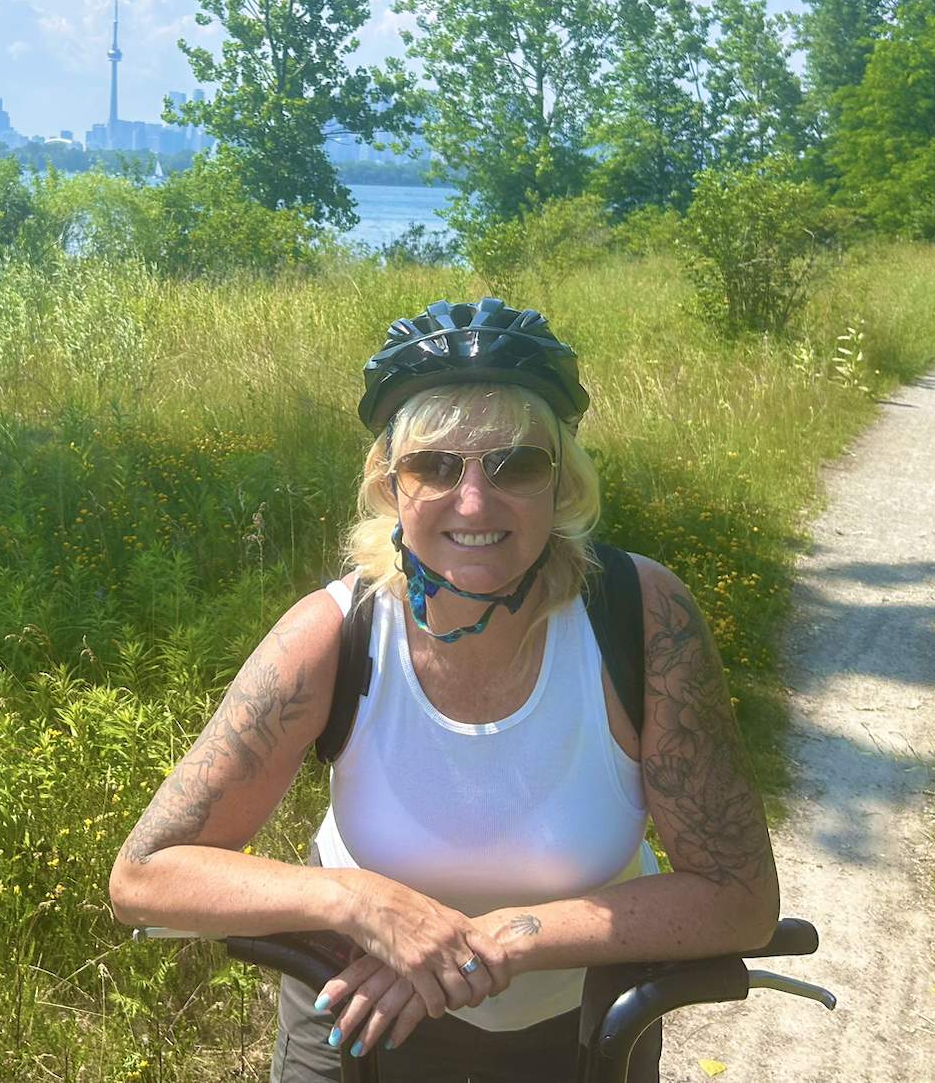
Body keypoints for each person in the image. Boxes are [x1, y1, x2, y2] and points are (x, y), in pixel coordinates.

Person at [109, 298, 779, 1082]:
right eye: (434, 465)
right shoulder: (333, 634)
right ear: (389, 484)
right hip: (357, 1007)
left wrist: (485, 944)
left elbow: (738, 895)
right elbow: (145, 875)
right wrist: (361, 903)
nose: (474, 502)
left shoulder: (639, 617)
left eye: (515, 465)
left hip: (580, 1023)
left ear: (562, 481)